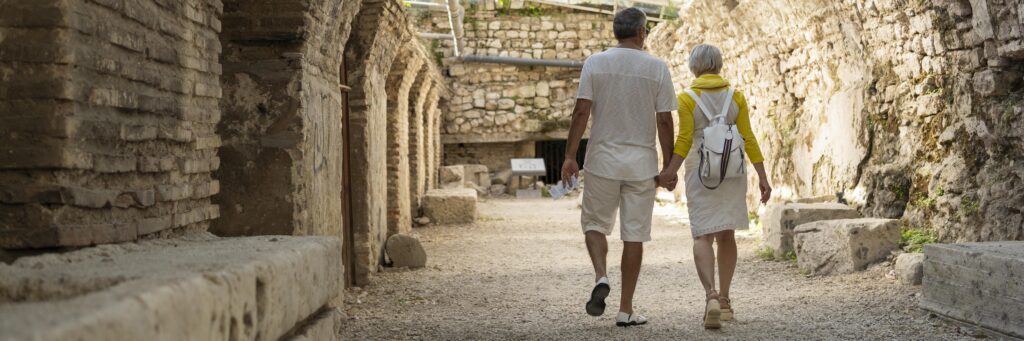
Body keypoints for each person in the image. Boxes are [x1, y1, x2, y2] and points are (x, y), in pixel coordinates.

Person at [561, 7, 678, 327]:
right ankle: (625, 309)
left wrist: (570, 156)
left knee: (594, 225)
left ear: (616, 31)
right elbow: (665, 119)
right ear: (642, 32)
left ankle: (601, 275)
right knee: (634, 235)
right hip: (641, 164)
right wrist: (668, 165)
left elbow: (581, 111)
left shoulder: (595, 63)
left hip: (601, 161)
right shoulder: (657, 67)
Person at [657, 44, 772, 329]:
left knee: (702, 236)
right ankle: (725, 299)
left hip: (700, 171)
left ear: (694, 67)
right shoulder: (737, 97)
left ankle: (709, 294)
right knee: (727, 235)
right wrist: (763, 176)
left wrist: (669, 172)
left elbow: (684, 139)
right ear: (719, 66)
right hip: (732, 171)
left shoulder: (686, 98)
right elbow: (749, 137)